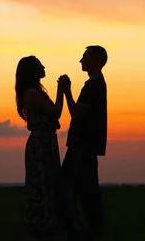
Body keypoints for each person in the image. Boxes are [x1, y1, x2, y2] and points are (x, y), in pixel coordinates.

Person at [58, 45, 108, 241]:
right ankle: (88, 229)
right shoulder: (97, 84)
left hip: (82, 145)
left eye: (84, 57)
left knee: (67, 187)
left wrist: (66, 92)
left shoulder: (93, 86)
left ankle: (77, 230)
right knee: (86, 189)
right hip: (87, 144)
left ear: (94, 61)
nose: (81, 61)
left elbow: (77, 113)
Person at [15, 55, 65, 241]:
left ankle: (45, 228)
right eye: (39, 65)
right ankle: (41, 227)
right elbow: (56, 112)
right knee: (42, 185)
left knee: (47, 183)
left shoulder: (34, 92)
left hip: (45, 142)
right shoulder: (32, 94)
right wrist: (62, 90)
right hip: (41, 145)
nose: (43, 67)